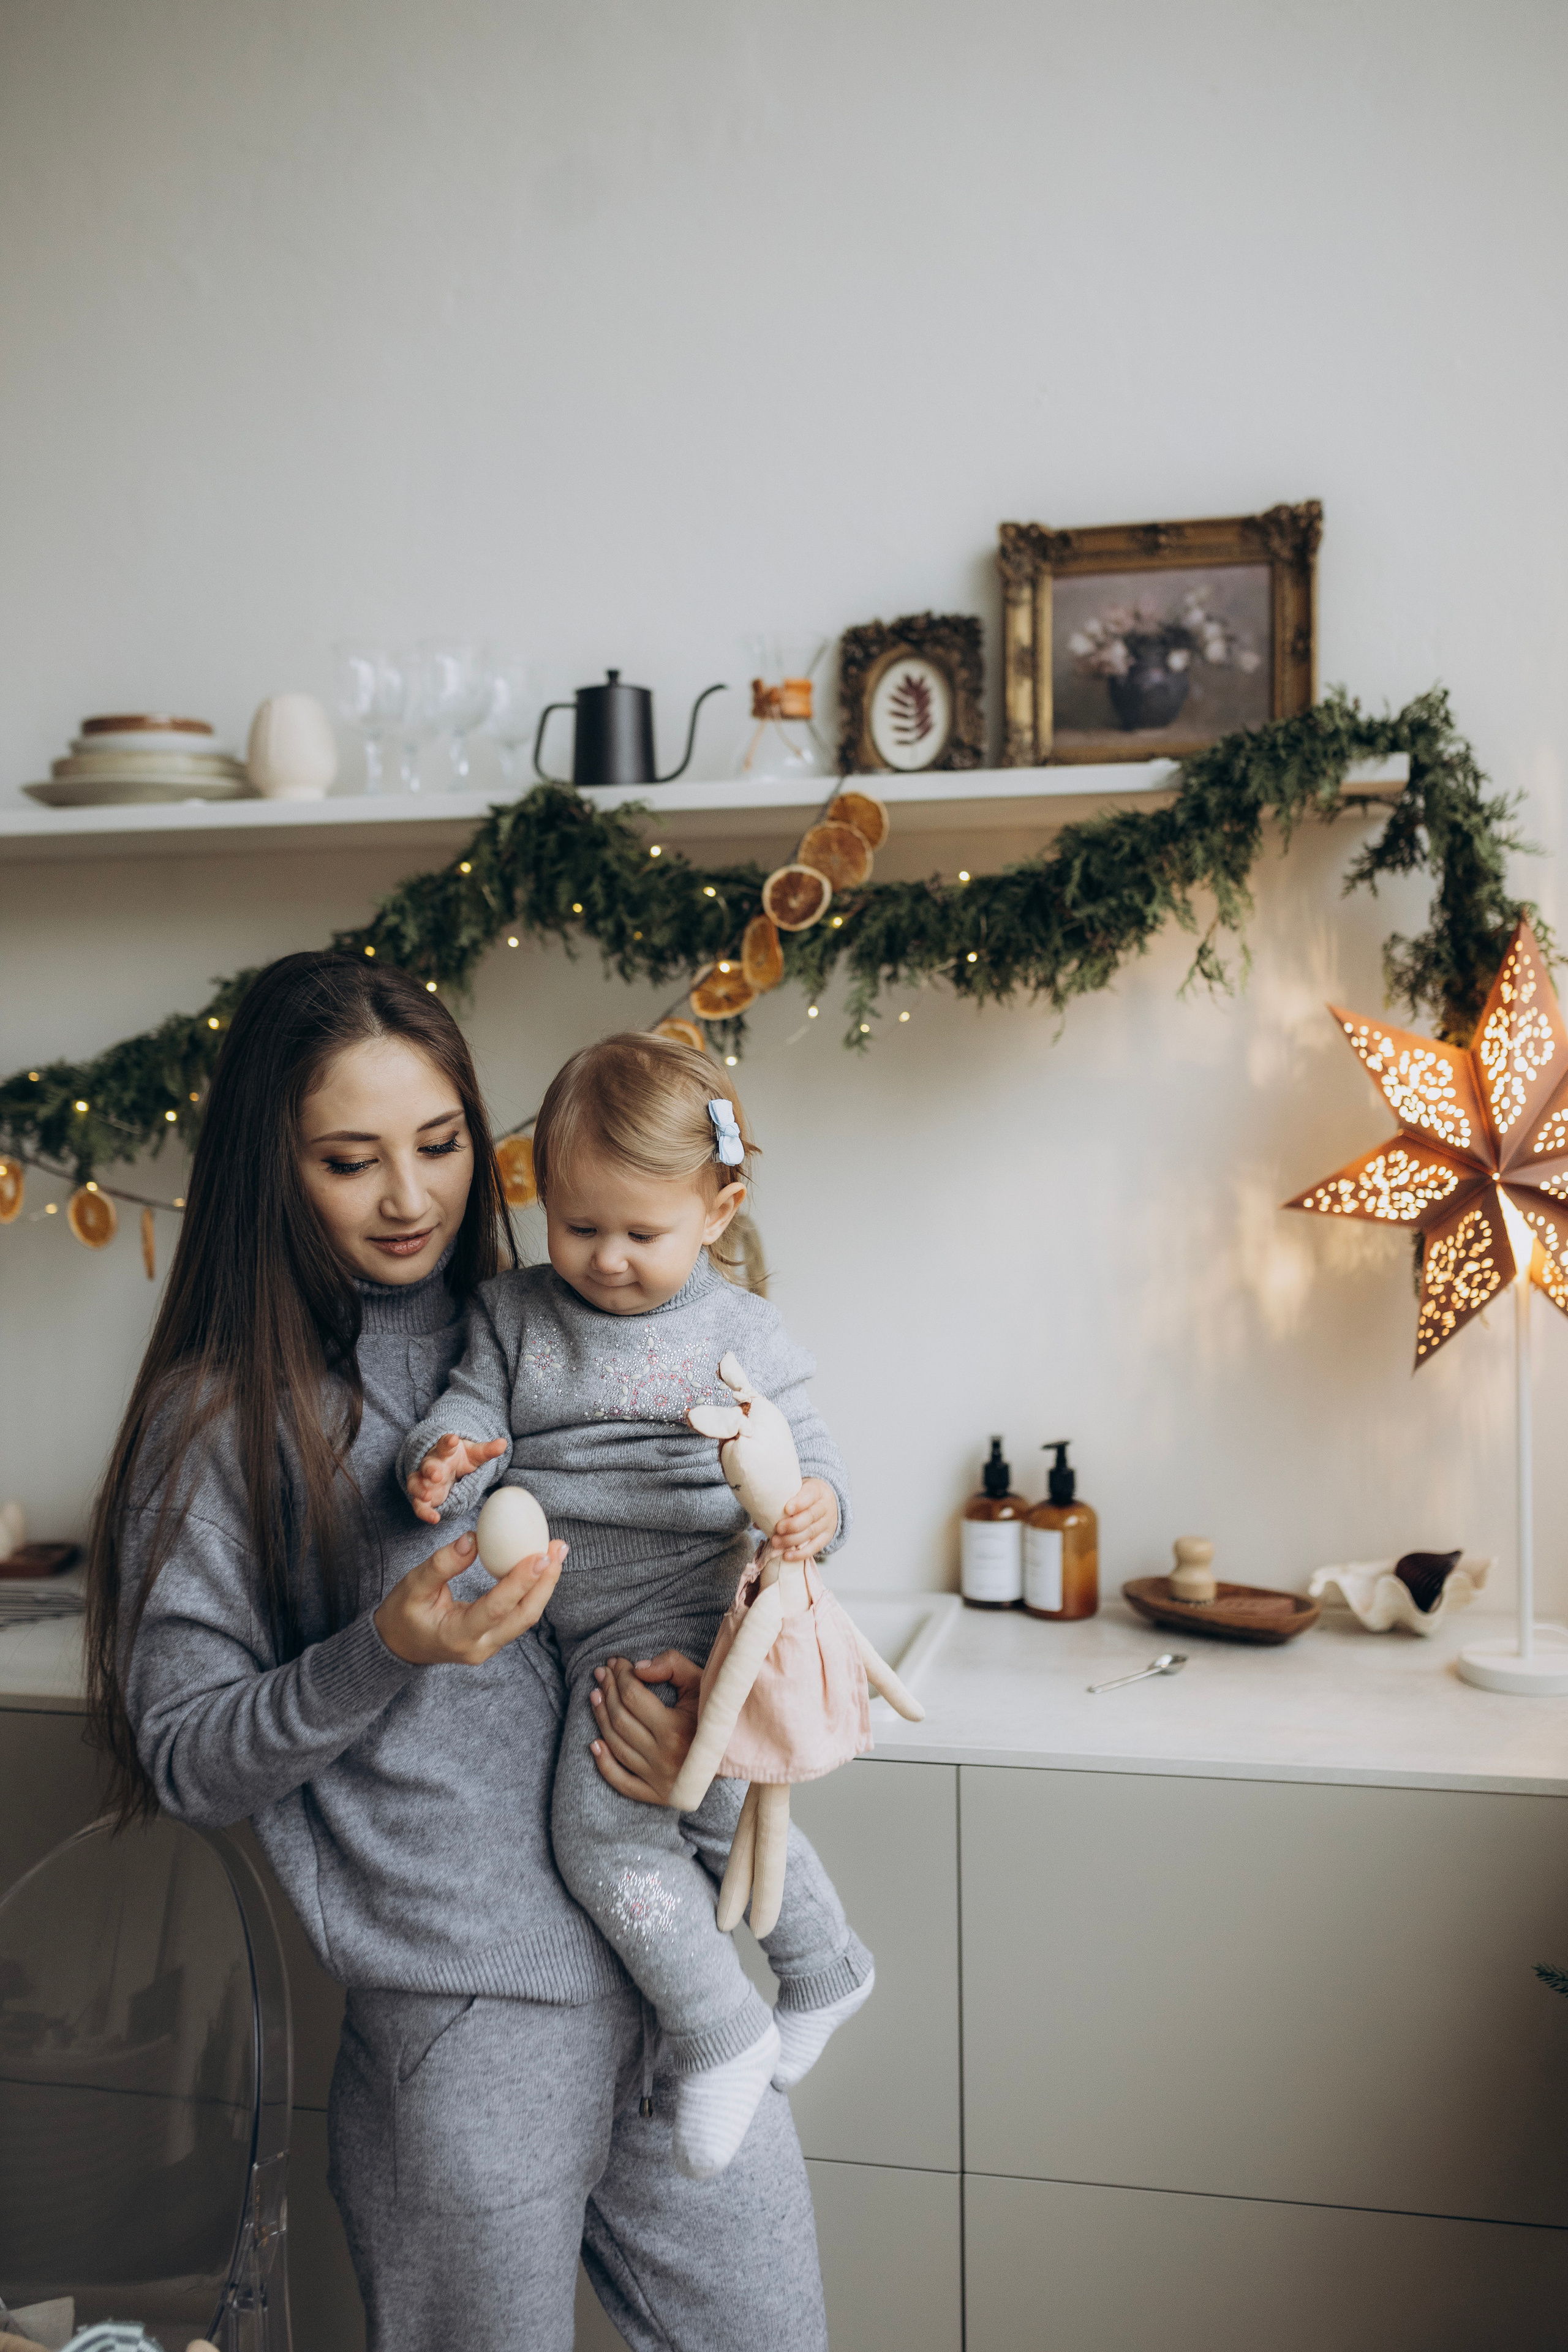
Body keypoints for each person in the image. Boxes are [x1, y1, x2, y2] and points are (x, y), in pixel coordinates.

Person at [85, 951, 832, 2352]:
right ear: (273, 1168)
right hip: (469, 2026)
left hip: (677, 1977)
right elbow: (184, 1758)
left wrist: (697, 1735)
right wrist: (386, 1646)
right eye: (349, 1160)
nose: (412, 1197)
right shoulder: (223, 1421)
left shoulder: (556, 1328)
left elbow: (696, 1575)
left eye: (438, 1146)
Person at [401, 1035, 875, 2180]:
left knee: (602, 1828)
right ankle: (827, 1969)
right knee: (711, 1818)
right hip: (578, 1618)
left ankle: (722, 2030)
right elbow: (470, 1410)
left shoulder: (741, 1333)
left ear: (719, 1210)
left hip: (692, 1604)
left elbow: (810, 1466)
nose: (606, 1260)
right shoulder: (516, 1316)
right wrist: (444, 1455)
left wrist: (816, 1507)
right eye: (578, 1227)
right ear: (541, 1200)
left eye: (641, 1234)